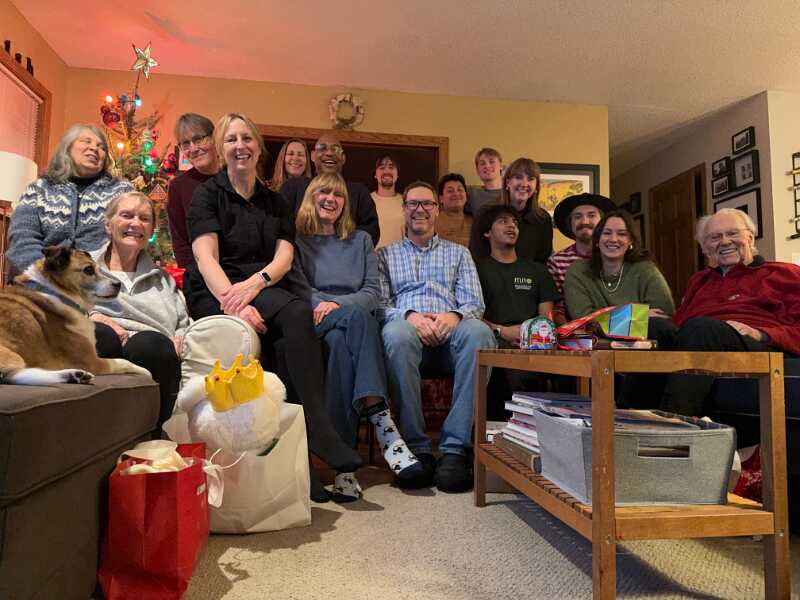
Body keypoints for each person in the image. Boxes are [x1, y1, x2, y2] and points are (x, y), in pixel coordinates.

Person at [185, 113, 361, 500]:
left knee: (296, 313)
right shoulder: (207, 195)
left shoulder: (275, 201)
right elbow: (205, 259)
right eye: (231, 139)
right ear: (221, 149)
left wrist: (255, 285)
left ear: (259, 147)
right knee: (276, 347)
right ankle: (305, 461)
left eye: (247, 138)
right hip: (216, 288)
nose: (240, 146)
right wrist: (234, 304)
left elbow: (283, 258)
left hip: (259, 283)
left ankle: (316, 432)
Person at [293, 172, 423, 501]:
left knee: (342, 345)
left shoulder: (361, 240)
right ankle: (382, 422)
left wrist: (339, 304)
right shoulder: (298, 241)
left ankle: (344, 469)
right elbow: (299, 291)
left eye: (338, 195)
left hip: (350, 325)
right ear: (311, 197)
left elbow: (372, 294)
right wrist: (327, 304)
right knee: (356, 320)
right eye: (324, 192)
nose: (331, 199)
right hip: (315, 321)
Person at [377, 181, 496, 493]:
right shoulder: (384, 255)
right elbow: (379, 305)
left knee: (479, 333)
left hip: (451, 336)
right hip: (407, 335)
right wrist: (411, 317)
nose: (420, 210)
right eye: (413, 204)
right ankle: (415, 447)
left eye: (427, 204)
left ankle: (455, 449)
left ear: (437, 209)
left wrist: (452, 317)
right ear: (403, 209)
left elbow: (474, 303)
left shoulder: (459, 254)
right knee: (396, 333)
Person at [654, 208, 800, 416]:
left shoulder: (784, 273)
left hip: (756, 345)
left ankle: (672, 426)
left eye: (732, 233)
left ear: (750, 238)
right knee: (653, 328)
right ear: (705, 248)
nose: (724, 241)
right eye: (715, 237)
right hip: (702, 338)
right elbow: (680, 327)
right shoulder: (699, 281)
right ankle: (627, 422)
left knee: (701, 327)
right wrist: (662, 322)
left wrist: (761, 334)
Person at [90, 192, 189, 432]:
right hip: (104, 345)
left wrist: (179, 340)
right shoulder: (83, 267)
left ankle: (148, 437)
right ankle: (95, 435)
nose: (136, 223)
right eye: (127, 215)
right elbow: (57, 307)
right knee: (97, 334)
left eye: (144, 219)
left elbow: (183, 323)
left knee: (151, 345)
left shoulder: (163, 280)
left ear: (152, 230)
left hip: (151, 351)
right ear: (108, 224)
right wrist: (91, 316)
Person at [7, 123, 133, 274]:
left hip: (99, 279)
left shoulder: (121, 191)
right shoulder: (39, 189)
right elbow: (22, 239)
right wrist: (47, 277)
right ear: (67, 147)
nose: (94, 148)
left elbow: (129, 242)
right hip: (41, 277)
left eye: (102, 147)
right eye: (86, 141)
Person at [475, 203, 560, 410]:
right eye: (502, 221)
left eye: (514, 222)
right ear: (487, 232)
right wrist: (502, 331)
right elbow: (470, 315)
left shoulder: (538, 271)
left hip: (535, 343)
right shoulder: (475, 269)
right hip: (493, 341)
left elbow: (547, 319)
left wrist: (531, 336)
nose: (511, 226)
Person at [564, 210, 674, 320]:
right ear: (597, 240)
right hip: (595, 333)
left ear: (630, 241)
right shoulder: (578, 271)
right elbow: (584, 320)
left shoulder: (645, 268)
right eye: (607, 233)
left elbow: (663, 313)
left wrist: (608, 319)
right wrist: (636, 315)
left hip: (647, 332)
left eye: (622, 234)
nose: (613, 239)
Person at [280, 131, 380, 246]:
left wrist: (336, 248)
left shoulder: (359, 192)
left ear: (343, 158)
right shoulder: (293, 187)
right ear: (312, 156)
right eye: (322, 148)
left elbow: (371, 232)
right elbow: (281, 227)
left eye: (335, 149)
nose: (329, 153)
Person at [469, 157, 553, 265]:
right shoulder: (485, 213)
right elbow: (476, 255)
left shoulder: (542, 219)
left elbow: (542, 261)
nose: (524, 184)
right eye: (518, 177)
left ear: (536, 186)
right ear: (508, 182)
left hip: (529, 275)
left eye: (530, 179)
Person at [548, 193, 615, 324]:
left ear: (603, 222)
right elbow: (557, 308)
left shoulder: (615, 257)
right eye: (578, 217)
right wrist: (569, 331)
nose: (584, 221)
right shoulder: (556, 262)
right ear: (570, 224)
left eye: (591, 215)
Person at [166, 113, 220, 270]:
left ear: (214, 138)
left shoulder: (235, 177)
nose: (193, 149)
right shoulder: (177, 187)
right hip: (200, 272)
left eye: (198, 139)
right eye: (185, 143)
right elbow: (180, 242)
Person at [371, 154, 404, 247]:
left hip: (400, 255)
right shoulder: (366, 200)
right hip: (372, 256)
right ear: (375, 175)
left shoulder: (407, 201)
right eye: (382, 168)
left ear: (397, 174)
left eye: (391, 167)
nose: (386, 171)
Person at [436, 173, 471, 247]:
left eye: (460, 189)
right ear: (441, 198)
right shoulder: (432, 224)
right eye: (450, 191)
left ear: (466, 195)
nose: (456, 194)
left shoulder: (475, 222)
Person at [464, 147, 503, 216]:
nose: (487, 166)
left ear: (501, 166)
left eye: (491, 162)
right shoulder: (472, 195)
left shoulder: (512, 192)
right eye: (482, 163)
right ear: (477, 170)